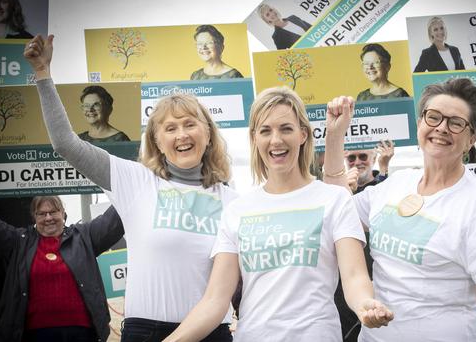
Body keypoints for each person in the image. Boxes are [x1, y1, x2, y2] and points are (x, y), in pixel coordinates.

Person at [24, 34, 236, 341]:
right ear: (157, 141)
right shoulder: (134, 180)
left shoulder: (233, 202)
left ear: (208, 132)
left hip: (212, 334)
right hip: (144, 333)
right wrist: (43, 73)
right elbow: (66, 144)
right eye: (170, 128)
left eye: (190, 124)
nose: (182, 134)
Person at [164, 86, 393, 342]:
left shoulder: (334, 199)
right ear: (254, 138)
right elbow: (215, 300)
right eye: (265, 131)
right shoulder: (238, 211)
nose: (276, 140)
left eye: (286, 128)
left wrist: (365, 304)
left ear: (303, 134)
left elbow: (354, 277)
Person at [324, 78, 476, 341]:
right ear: (420, 124)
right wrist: (334, 135)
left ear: (471, 138)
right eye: (434, 117)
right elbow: (337, 206)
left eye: (456, 123)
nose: (442, 128)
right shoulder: (395, 184)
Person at [0, 196, 124, 342]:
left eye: (53, 212)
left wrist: (129, 190)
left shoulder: (84, 236)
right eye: (42, 213)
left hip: (82, 332)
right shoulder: (18, 242)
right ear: (34, 217)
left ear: (63, 213)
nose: (48, 218)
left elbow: (114, 221)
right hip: (34, 334)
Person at [335, 140, 394, 342]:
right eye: (351, 158)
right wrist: (343, 192)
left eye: (363, 157)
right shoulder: (337, 193)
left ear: (373, 159)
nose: (357, 162)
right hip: (343, 289)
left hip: (377, 282)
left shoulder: (386, 190)